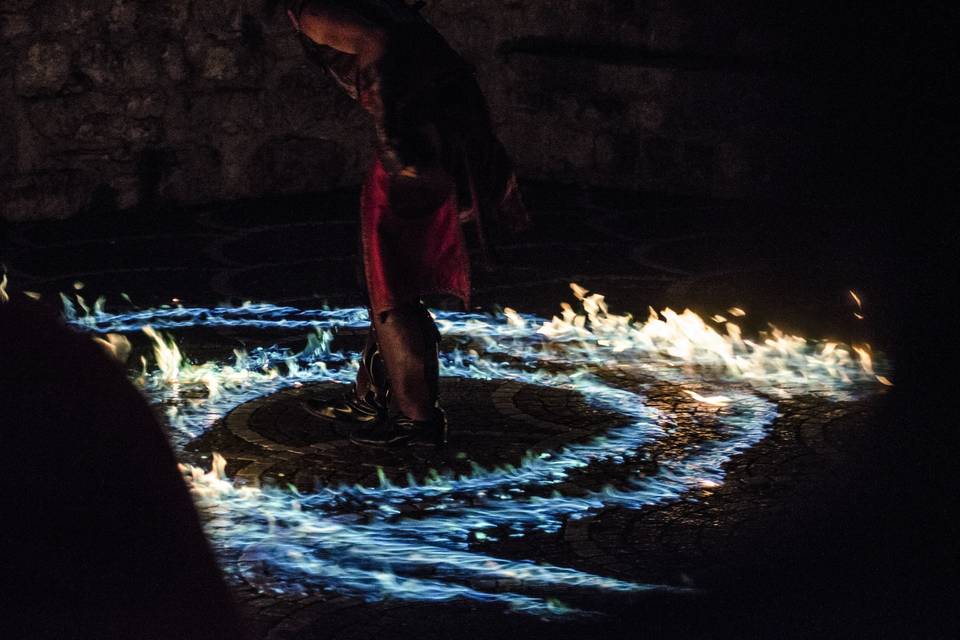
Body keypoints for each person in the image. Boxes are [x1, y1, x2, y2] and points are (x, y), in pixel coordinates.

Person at [287, 0, 529, 446]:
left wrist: (393, 141)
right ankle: (370, 400)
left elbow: (377, 42)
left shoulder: (314, 11)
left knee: (391, 284)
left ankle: (417, 419)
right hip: (443, 133)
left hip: (419, 145)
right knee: (390, 275)